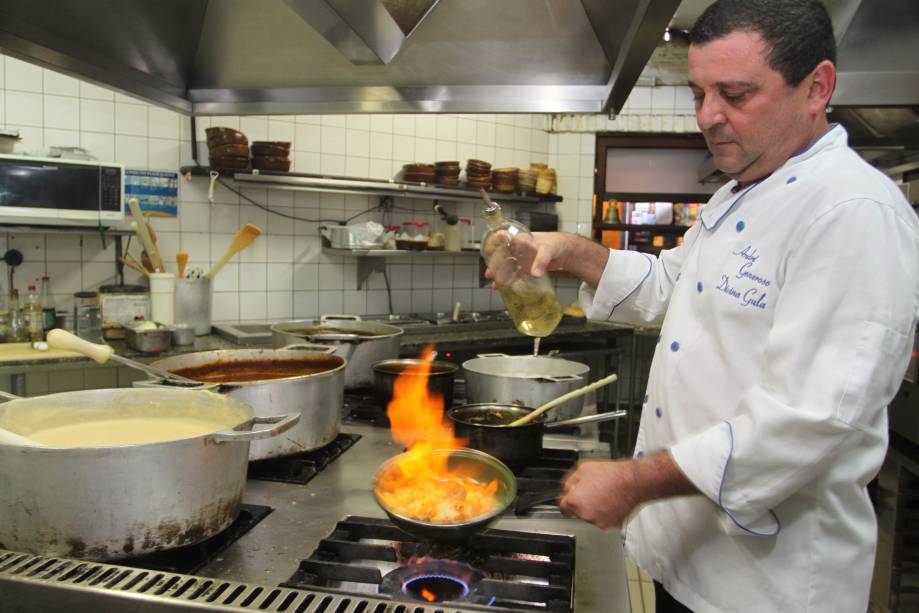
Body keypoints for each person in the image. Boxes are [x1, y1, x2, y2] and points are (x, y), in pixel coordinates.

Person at [492, 1, 919, 611]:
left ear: (816, 87)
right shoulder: (741, 192)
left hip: (768, 582)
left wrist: (635, 480)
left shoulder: (853, 213)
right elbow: (669, 284)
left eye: (735, 94)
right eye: (698, 93)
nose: (708, 117)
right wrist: (561, 252)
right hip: (691, 554)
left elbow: (809, 419)